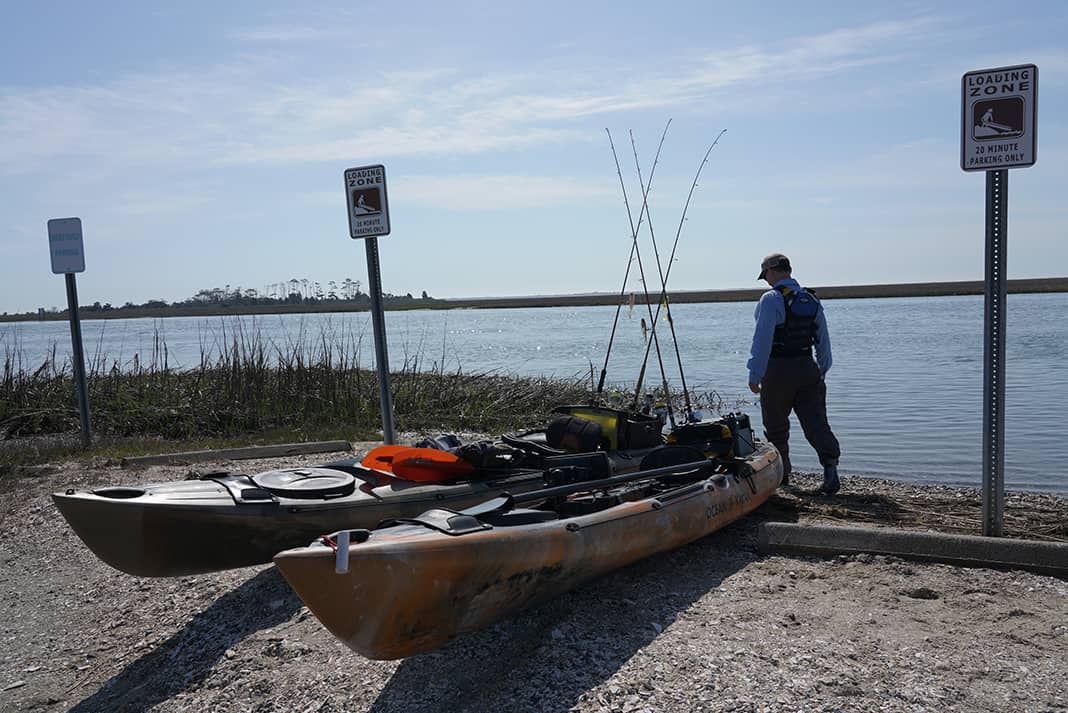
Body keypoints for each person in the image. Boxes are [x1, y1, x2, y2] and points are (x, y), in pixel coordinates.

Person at [747, 253, 841, 494]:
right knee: (817, 422)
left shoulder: (770, 299)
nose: (766, 280)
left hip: (778, 370)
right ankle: (830, 469)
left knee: (776, 425)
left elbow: (762, 340)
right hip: (807, 367)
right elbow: (823, 340)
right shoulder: (811, 298)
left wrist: (755, 374)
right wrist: (821, 370)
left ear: (772, 271)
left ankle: (783, 476)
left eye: (765, 275)